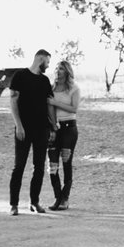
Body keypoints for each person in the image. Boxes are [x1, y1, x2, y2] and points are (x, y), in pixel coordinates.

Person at [2, 49, 55, 215]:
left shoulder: (45, 81)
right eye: (47, 61)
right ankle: (14, 205)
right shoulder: (20, 76)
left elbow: (49, 104)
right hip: (23, 129)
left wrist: (53, 126)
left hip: (42, 129)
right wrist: (18, 125)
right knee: (19, 166)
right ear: (40, 59)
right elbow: (13, 101)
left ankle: (34, 202)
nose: (48, 65)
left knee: (39, 167)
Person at [48, 59, 81, 211]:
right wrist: (53, 126)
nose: (58, 71)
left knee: (66, 162)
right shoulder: (51, 88)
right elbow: (49, 109)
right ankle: (58, 197)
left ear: (67, 71)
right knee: (52, 166)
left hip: (69, 128)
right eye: (56, 68)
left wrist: (56, 103)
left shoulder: (74, 88)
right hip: (55, 128)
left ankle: (65, 199)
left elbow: (73, 109)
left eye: (61, 69)